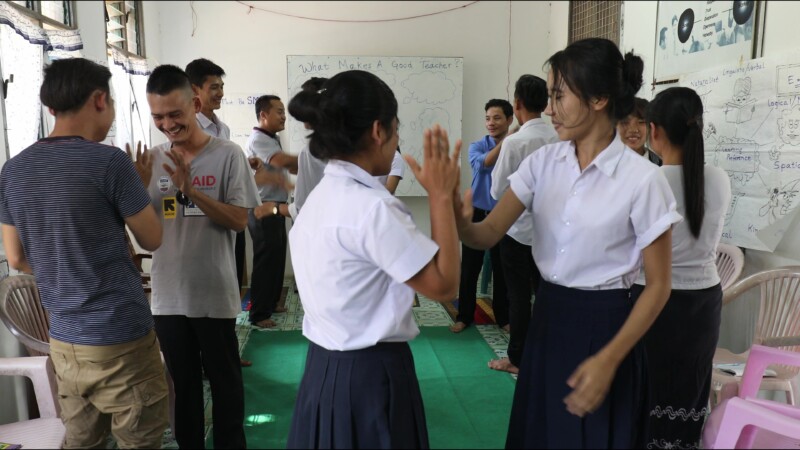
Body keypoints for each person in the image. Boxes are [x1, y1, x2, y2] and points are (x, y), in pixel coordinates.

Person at [455, 38, 681, 448]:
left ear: (598, 98)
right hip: (549, 317)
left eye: (559, 95)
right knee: (542, 434)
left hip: (608, 325)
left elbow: (660, 285)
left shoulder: (642, 180)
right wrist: (449, 208)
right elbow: (485, 233)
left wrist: (609, 359)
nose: (550, 108)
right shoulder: (544, 163)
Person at [285, 70, 461, 449]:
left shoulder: (320, 196)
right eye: (397, 131)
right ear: (379, 131)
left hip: (322, 369)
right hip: (370, 375)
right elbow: (445, 285)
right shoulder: (373, 208)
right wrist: (441, 196)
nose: (398, 142)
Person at [0, 58, 168, 448]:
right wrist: (137, 187)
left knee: (82, 440)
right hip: (121, 336)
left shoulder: (13, 170)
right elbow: (152, 239)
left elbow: (17, 257)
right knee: (138, 438)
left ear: (50, 107)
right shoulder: (110, 162)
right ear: (98, 100)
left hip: (64, 339)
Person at [138, 64, 260, 449]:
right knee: (183, 386)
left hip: (214, 292)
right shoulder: (151, 160)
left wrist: (192, 190)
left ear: (194, 103)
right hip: (168, 295)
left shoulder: (228, 155)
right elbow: (142, 234)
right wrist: (138, 194)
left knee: (225, 385)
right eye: (158, 117)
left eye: (175, 114)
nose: (168, 125)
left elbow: (239, 221)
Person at [632, 87, 731, 449]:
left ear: (654, 131)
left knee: (647, 392)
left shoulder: (650, 180)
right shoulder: (719, 178)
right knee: (688, 392)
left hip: (653, 299)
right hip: (703, 303)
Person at [487, 74, 558, 374]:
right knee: (546, 295)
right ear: (546, 104)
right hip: (552, 232)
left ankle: (517, 358)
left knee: (518, 298)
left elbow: (496, 189)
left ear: (517, 105)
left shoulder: (515, 142)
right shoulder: (558, 138)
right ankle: (547, 354)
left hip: (516, 231)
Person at [185, 57, 253, 368]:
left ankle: (227, 350)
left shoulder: (222, 129)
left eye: (222, 86)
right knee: (206, 294)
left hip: (230, 216)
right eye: (214, 87)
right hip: (201, 219)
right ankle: (209, 358)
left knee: (231, 282)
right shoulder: (186, 130)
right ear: (193, 91)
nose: (221, 93)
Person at [450, 99, 512, 334]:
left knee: (501, 269)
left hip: (503, 214)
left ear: (509, 119)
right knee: (469, 269)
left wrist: (511, 143)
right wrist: (508, 141)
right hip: (476, 212)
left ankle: (502, 317)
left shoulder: (516, 148)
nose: (491, 123)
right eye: (488, 118)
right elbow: (484, 164)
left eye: (497, 118)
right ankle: (464, 316)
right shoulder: (476, 146)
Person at [245, 95, 297, 328]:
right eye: (279, 111)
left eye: (284, 111)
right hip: (263, 208)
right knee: (266, 260)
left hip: (275, 206)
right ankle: (258, 314)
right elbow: (281, 161)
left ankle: (272, 302)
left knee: (277, 256)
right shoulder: (259, 139)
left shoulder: (271, 138)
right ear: (263, 115)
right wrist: (313, 159)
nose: (284, 116)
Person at [617, 97, 662, 166]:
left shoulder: (661, 165)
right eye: (625, 122)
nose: (633, 130)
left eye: (641, 122)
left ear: (651, 127)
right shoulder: (601, 167)